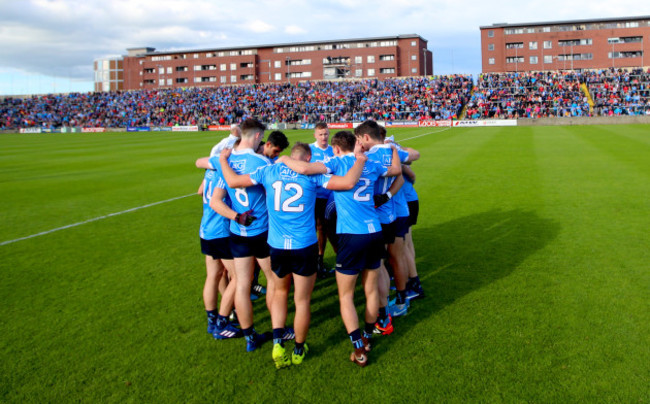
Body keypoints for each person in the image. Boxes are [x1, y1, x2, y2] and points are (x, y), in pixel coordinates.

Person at [220, 141, 366, 368]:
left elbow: (232, 181)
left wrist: (222, 160)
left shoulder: (268, 170)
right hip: (304, 246)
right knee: (302, 300)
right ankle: (299, 348)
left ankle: (278, 342)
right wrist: (360, 161)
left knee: (279, 293)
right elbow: (348, 183)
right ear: (308, 159)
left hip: (277, 246)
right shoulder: (312, 177)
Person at [279, 131, 400, 367]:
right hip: (374, 231)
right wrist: (393, 148)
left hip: (350, 236)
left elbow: (304, 169)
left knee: (346, 296)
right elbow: (397, 171)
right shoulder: (372, 163)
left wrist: (283, 159)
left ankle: (359, 348)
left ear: (335, 148)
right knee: (371, 290)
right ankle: (367, 335)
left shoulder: (335, 162)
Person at [197, 118, 275, 352]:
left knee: (240, 284)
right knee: (273, 280)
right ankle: (278, 328)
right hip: (260, 231)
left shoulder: (226, 163)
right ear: (258, 136)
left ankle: (249, 336)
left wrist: (236, 217)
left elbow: (214, 200)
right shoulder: (261, 161)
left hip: (236, 232)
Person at [354, 121, 419, 332]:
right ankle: (401, 300)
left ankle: (382, 312)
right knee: (396, 258)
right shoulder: (393, 152)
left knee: (378, 267)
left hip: (376, 218)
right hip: (394, 214)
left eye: (358, 139)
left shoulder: (367, 159)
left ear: (365, 137)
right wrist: (389, 195)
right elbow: (405, 169)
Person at [197, 165, 241, 340]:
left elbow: (200, 191)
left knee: (213, 275)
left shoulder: (210, 171)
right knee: (239, 277)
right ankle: (223, 322)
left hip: (206, 228)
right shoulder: (225, 172)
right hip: (221, 231)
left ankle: (212, 320)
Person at [309, 122, 335, 278]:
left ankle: (320, 258)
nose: (324, 137)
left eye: (326, 134)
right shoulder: (310, 150)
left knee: (325, 228)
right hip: (313, 195)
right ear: (315, 135)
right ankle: (312, 261)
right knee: (313, 227)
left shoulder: (333, 150)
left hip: (329, 196)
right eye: (320, 134)